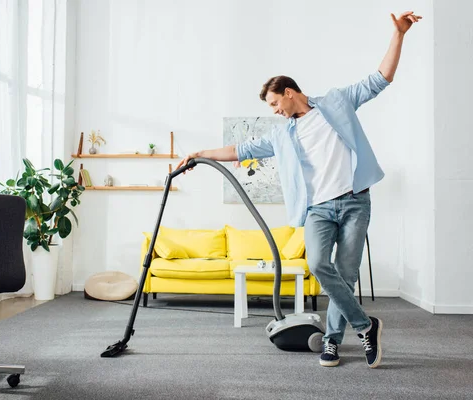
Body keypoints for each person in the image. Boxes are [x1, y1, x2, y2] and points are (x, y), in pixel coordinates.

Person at [176, 11, 422, 368]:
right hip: (318, 210)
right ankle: (367, 326)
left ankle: (332, 342)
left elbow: (380, 78)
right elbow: (239, 150)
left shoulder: (337, 102)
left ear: (289, 92)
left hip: (354, 202)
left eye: (275, 104)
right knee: (319, 264)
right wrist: (199, 153)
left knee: (346, 274)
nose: (275, 111)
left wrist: (399, 34)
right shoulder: (281, 135)